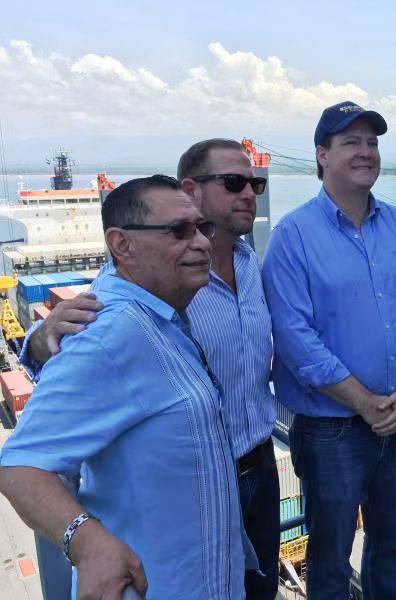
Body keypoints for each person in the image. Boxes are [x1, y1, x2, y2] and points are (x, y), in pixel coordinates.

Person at [21, 139, 281, 599]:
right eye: (233, 182)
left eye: (254, 184)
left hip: (255, 468)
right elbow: (24, 460)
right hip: (181, 518)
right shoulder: (125, 309)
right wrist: (86, 540)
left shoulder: (244, 266)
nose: (248, 194)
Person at [262, 101, 396, 599]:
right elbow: (296, 339)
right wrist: (367, 404)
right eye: (351, 143)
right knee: (330, 558)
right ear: (322, 155)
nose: (366, 152)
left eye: (372, 143)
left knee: (392, 546)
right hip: (331, 431)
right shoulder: (293, 236)